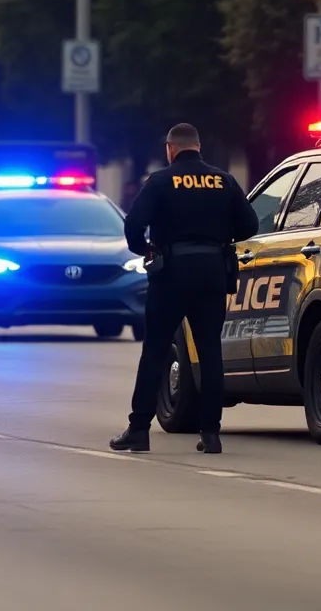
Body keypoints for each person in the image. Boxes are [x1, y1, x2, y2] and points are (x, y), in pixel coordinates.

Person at [110, 123, 258, 455]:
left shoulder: (160, 181)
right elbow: (250, 224)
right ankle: (211, 434)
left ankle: (139, 430)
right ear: (198, 147)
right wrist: (219, 238)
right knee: (210, 351)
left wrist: (145, 249)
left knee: (156, 350)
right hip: (212, 271)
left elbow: (133, 224)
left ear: (170, 149)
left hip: (171, 273)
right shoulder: (223, 180)